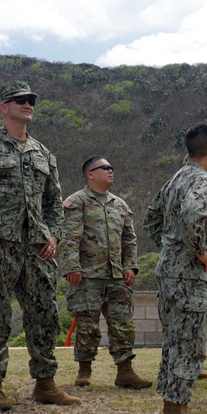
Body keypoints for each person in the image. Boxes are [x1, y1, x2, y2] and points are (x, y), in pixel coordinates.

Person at [0, 81, 80, 409]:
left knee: (44, 314)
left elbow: (54, 202)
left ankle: (45, 383)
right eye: (20, 100)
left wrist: (54, 235)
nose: (27, 104)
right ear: (4, 107)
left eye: (31, 100)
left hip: (38, 249)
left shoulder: (43, 153)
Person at [143, 124, 207, 414]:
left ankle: (170, 412)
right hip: (188, 275)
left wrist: (170, 247)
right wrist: (198, 249)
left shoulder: (176, 177)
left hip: (168, 272)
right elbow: (192, 213)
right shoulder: (203, 180)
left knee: (174, 341)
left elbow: (151, 217)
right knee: (189, 344)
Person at [60, 156, 150, 390]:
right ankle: (84, 371)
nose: (111, 171)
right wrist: (72, 267)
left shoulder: (120, 205)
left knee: (122, 324)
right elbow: (70, 238)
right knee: (87, 326)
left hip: (117, 276)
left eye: (112, 167)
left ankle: (125, 371)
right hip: (87, 276)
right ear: (90, 174)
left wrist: (130, 266)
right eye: (105, 168)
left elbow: (129, 239)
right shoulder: (76, 201)